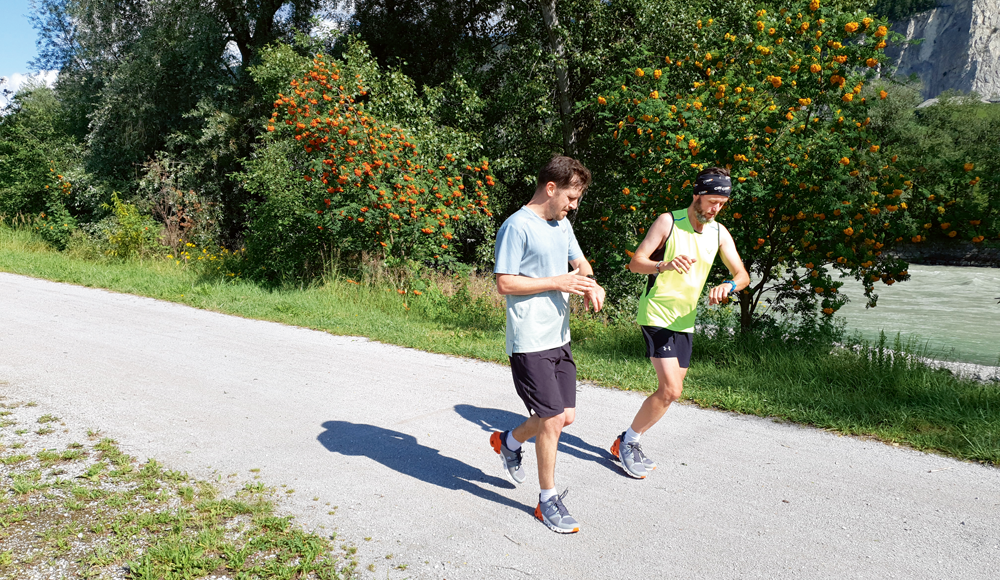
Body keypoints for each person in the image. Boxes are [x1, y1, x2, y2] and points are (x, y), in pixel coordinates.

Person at [490, 156, 606, 534]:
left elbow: (581, 265)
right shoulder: (516, 226)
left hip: (560, 336)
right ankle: (547, 501)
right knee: (553, 419)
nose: (574, 205)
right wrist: (558, 282)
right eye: (571, 197)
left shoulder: (563, 224)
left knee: (563, 416)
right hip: (529, 339)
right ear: (551, 188)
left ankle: (508, 441)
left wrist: (590, 283)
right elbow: (505, 283)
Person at [610, 166, 750, 479]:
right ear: (697, 195)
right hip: (657, 313)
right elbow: (635, 263)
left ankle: (626, 441)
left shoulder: (719, 232)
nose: (716, 208)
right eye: (713, 201)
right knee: (671, 388)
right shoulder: (669, 222)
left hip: (684, 319)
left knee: (672, 392)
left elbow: (743, 276)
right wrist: (664, 264)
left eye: (722, 204)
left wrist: (728, 286)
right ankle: (629, 442)